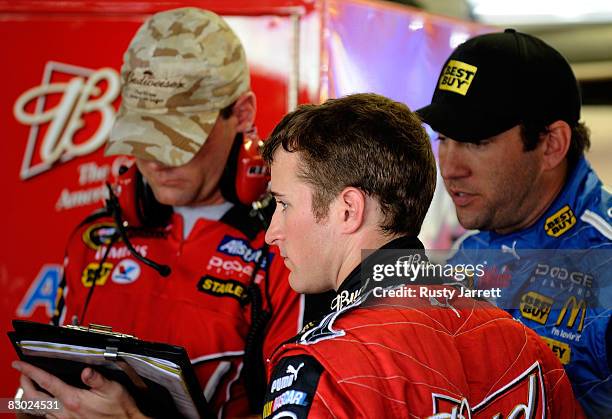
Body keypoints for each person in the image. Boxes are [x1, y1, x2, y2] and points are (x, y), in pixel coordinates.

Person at [13, 7, 307, 418]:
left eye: (178, 139)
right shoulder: (95, 237)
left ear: (242, 115)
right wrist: (27, 404)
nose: (156, 161)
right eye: (145, 135)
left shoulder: (286, 250)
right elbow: (24, 398)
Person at [259, 93, 583, 418]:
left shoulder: (323, 370)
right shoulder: (527, 347)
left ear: (348, 210)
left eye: (283, 204)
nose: (272, 232)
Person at [416, 29, 611, 417]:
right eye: (443, 138)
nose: (450, 168)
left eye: (476, 142)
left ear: (551, 144)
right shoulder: (474, 248)